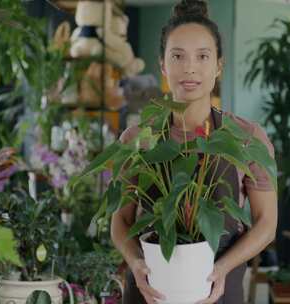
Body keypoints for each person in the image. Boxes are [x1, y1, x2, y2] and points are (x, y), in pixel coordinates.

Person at [111, 1, 278, 303]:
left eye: (202, 56)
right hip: (150, 290)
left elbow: (267, 223)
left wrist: (223, 268)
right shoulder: (138, 139)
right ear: (162, 64)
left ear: (218, 65)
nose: (190, 68)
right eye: (178, 56)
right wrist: (135, 262)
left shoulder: (245, 137)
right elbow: (120, 221)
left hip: (217, 290)